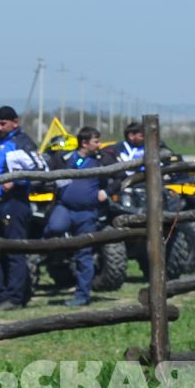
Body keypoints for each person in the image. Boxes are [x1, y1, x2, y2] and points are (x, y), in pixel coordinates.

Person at [0, 105, 43, 311]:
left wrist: (16, 182)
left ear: (15, 123)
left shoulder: (22, 143)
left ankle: (14, 299)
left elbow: (41, 170)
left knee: (14, 252)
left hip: (14, 203)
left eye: (3, 123)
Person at [48, 127, 108, 306]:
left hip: (87, 213)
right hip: (64, 208)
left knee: (84, 254)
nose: (99, 145)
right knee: (53, 228)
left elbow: (116, 178)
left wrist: (106, 191)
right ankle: (52, 260)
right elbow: (49, 174)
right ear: (85, 143)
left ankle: (82, 295)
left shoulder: (101, 161)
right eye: (96, 141)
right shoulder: (65, 158)